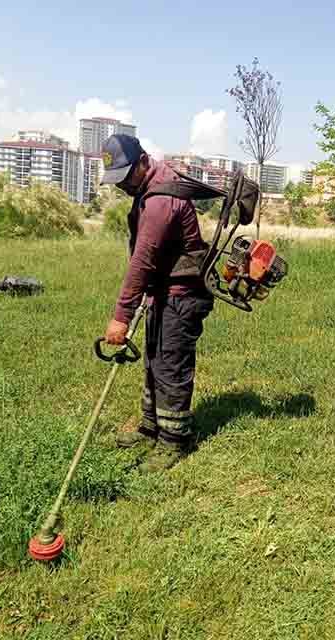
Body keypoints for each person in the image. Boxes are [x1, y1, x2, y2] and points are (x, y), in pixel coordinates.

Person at [99, 133, 215, 473]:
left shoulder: (161, 200)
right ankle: (151, 428)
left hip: (183, 296)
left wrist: (121, 316)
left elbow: (143, 261)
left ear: (143, 162)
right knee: (153, 361)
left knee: (170, 368)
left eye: (125, 177)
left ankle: (174, 441)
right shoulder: (148, 188)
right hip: (163, 293)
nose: (122, 186)